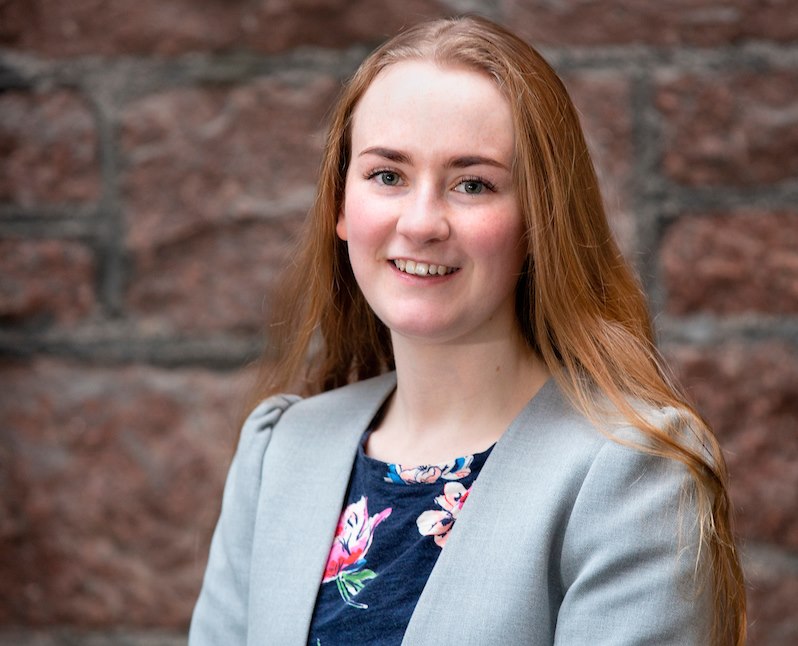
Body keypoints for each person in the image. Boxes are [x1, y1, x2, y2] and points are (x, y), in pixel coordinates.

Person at [189, 15, 746, 646]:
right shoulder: (280, 453)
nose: (422, 222)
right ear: (340, 206)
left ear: (541, 221)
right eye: (387, 175)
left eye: (473, 183)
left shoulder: (630, 476)